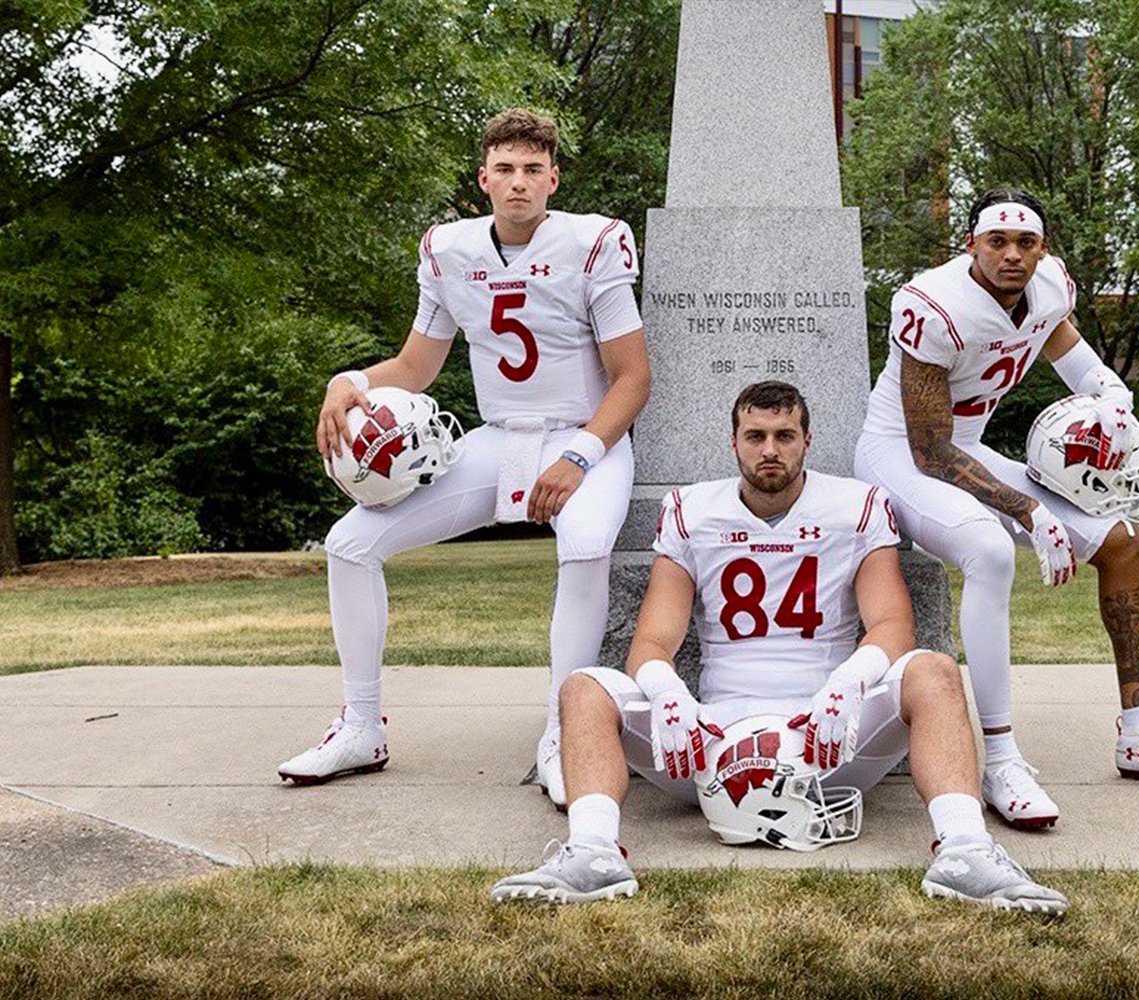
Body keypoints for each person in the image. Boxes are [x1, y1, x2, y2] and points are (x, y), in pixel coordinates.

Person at [490, 382, 1068, 913]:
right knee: (584, 688)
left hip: (830, 734)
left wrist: (851, 682)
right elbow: (653, 639)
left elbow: (892, 624)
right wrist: (667, 693)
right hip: (712, 736)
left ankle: (965, 850)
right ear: (734, 442)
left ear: (807, 441)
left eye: (785, 436)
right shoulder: (692, 509)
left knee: (934, 672)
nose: (771, 449)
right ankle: (592, 852)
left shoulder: (856, 504)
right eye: (756, 436)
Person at [277, 108, 650, 797]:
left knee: (588, 541)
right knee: (349, 544)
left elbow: (633, 377)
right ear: (483, 178)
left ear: (553, 180)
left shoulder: (595, 242)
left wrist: (582, 457)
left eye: (532, 171)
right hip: (500, 438)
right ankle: (362, 726)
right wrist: (348, 381)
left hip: (583, 436)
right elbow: (415, 367)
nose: (518, 184)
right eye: (505, 170)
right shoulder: (449, 250)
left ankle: (562, 734)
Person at [853, 189, 1139, 830]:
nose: (1011, 255)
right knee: (991, 550)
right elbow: (930, 449)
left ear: (1042, 251)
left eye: (1025, 243)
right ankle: (999, 757)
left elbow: (1071, 356)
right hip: (900, 457)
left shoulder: (1049, 288)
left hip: (967, 450)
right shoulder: (932, 303)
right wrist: (1028, 509)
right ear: (971, 245)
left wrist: (1111, 395)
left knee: (1124, 541)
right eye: (996, 241)